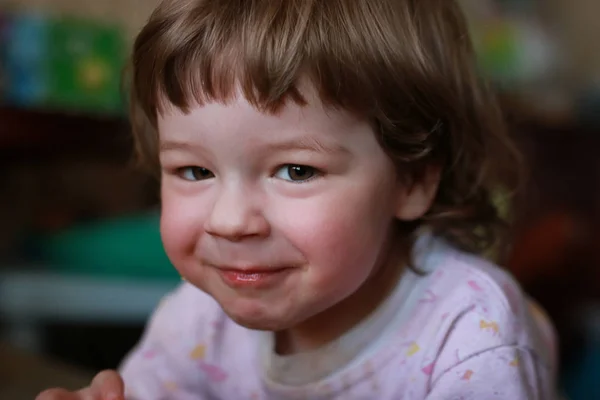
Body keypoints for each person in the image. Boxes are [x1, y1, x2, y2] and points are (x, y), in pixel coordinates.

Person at [37, 0, 558, 398]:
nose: (231, 221)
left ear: (412, 181)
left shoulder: (469, 332)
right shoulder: (198, 318)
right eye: (195, 170)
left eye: (295, 170)